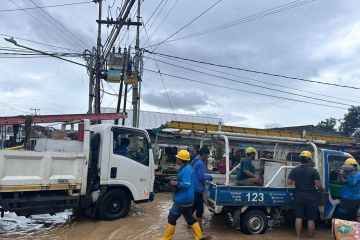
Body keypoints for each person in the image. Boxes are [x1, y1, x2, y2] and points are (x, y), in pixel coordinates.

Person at [160, 149, 202, 240]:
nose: (177, 160)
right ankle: (199, 237)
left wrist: (176, 183)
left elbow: (187, 183)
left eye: (178, 158)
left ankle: (166, 238)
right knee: (190, 219)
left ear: (180, 160)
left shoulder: (186, 170)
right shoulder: (188, 168)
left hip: (182, 200)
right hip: (189, 199)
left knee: (171, 218)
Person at [287, 151, 324, 239]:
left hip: (298, 197)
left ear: (301, 160)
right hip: (311, 197)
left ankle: (298, 237)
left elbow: (289, 182)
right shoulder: (314, 171)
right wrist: (322, 190)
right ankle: (311, 237)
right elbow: (318, 186)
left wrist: (298, 181)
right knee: (311, 219)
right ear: (309, 160)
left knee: (299, 217)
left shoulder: (295, 170)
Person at [192, 147, 213, 227]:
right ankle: (199, 230)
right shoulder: (200, 163)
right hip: (198, 190)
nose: (208, 157)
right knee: (200, 210)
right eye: (207, 155)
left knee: (193, 208)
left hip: (194, 188)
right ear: (203, 154)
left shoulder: (196, 160)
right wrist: (209, 177)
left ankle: (188, 227)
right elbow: (201, 177)